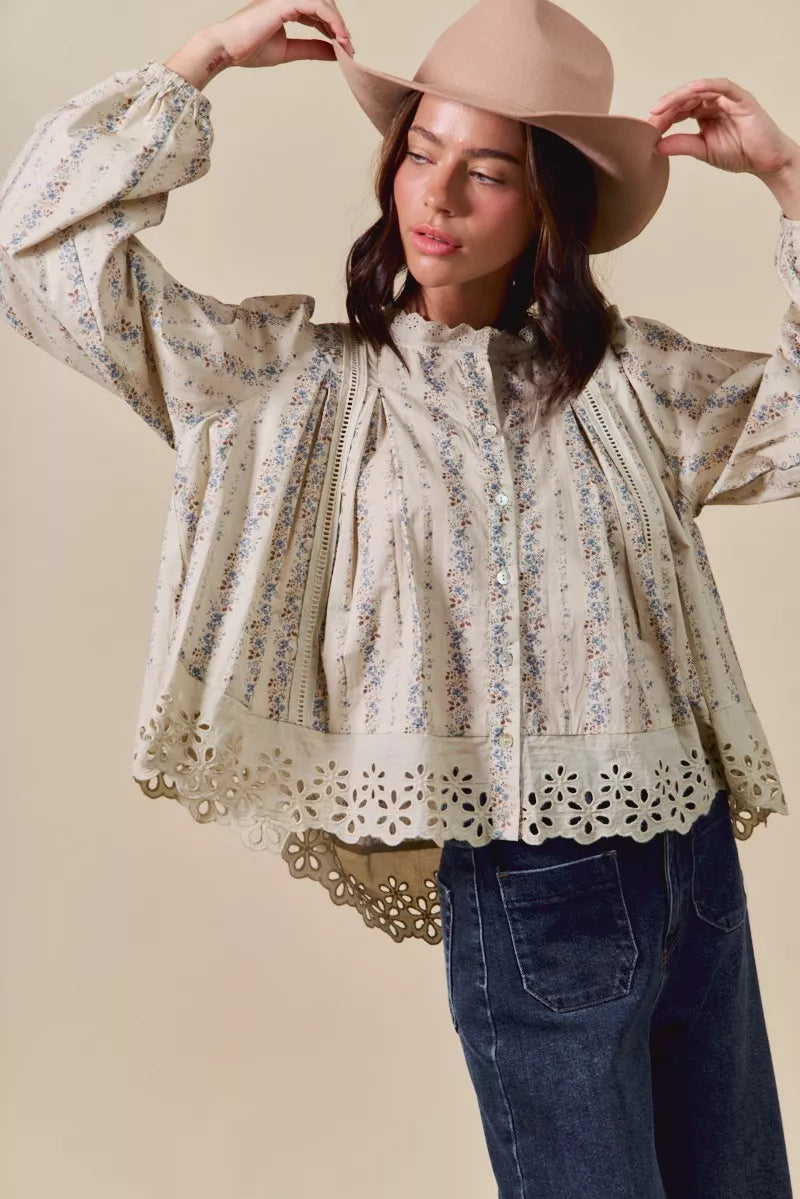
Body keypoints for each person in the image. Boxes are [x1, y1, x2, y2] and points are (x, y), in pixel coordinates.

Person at [0, 0, 797, 1192]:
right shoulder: (294, 386)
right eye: (420, 152)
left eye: (487, 173)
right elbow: (42, 257)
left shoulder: (627, 382)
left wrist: (786, 178)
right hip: (535, 876)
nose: (435, 196)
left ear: (546, 208)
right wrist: (201, 62)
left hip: (691, 854)